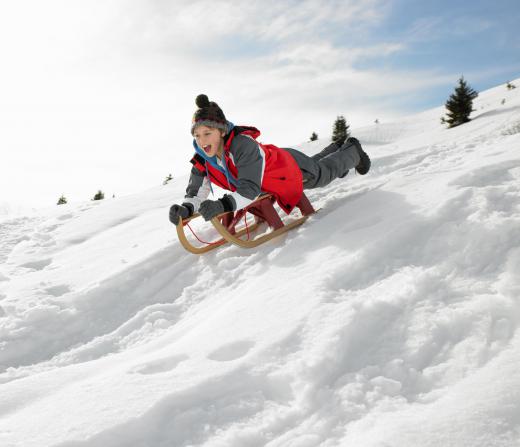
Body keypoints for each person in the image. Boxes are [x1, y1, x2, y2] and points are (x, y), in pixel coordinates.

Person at [169, 94, 370, 224]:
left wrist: (222, 206)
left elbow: (249, 190)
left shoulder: (242, 146)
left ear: (221, 132)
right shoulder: (202, 159)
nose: (202, 140)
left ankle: (353, 151)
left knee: (321, 175)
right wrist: (186, 209)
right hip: (270, 174)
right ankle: (336, 148)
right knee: (317, 166)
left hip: (286, 167)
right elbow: (197, 191)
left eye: (207, 133)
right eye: (197, 135)